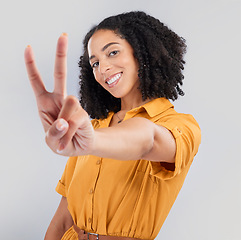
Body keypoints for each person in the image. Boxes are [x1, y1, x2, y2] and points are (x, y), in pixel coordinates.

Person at [24, 11, 201, 240]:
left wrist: (93, 141)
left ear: (142, 52)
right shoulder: (92, 127)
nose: (102, 68)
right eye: (95, 62)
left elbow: (147, 140)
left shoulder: (180, 126)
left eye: (113, 52)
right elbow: (63, 218)